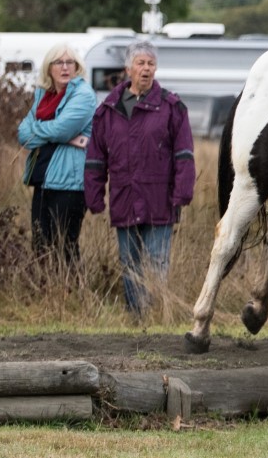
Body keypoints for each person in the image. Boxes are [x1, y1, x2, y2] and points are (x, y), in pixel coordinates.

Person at [84, 39, 195, 315]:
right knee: (129, 262)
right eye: (140, 63)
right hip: (124, 197)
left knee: (157, 261)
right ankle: (136, 316)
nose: (146, 69)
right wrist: (94, 197)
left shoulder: (172, 107)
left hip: (160, 200)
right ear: (127, 68)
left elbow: (184, 154)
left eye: (151, 63)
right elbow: (96, 159)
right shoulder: (107, 111)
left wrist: (183, 192)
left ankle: (157, 313)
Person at [17, 44, 96, 266]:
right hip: (42, 179)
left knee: (64, 245)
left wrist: (45, 130)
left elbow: (62, 130)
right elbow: (23, 134)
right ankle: (47, 297)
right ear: (49, 68)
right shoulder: (44, 95)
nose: (64, 67)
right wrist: (60, 135)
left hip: (70, 183)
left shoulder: (83, 95)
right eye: (58, 62)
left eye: (69, 62)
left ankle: (72, 296)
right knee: (41, 244)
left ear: (77, 67)